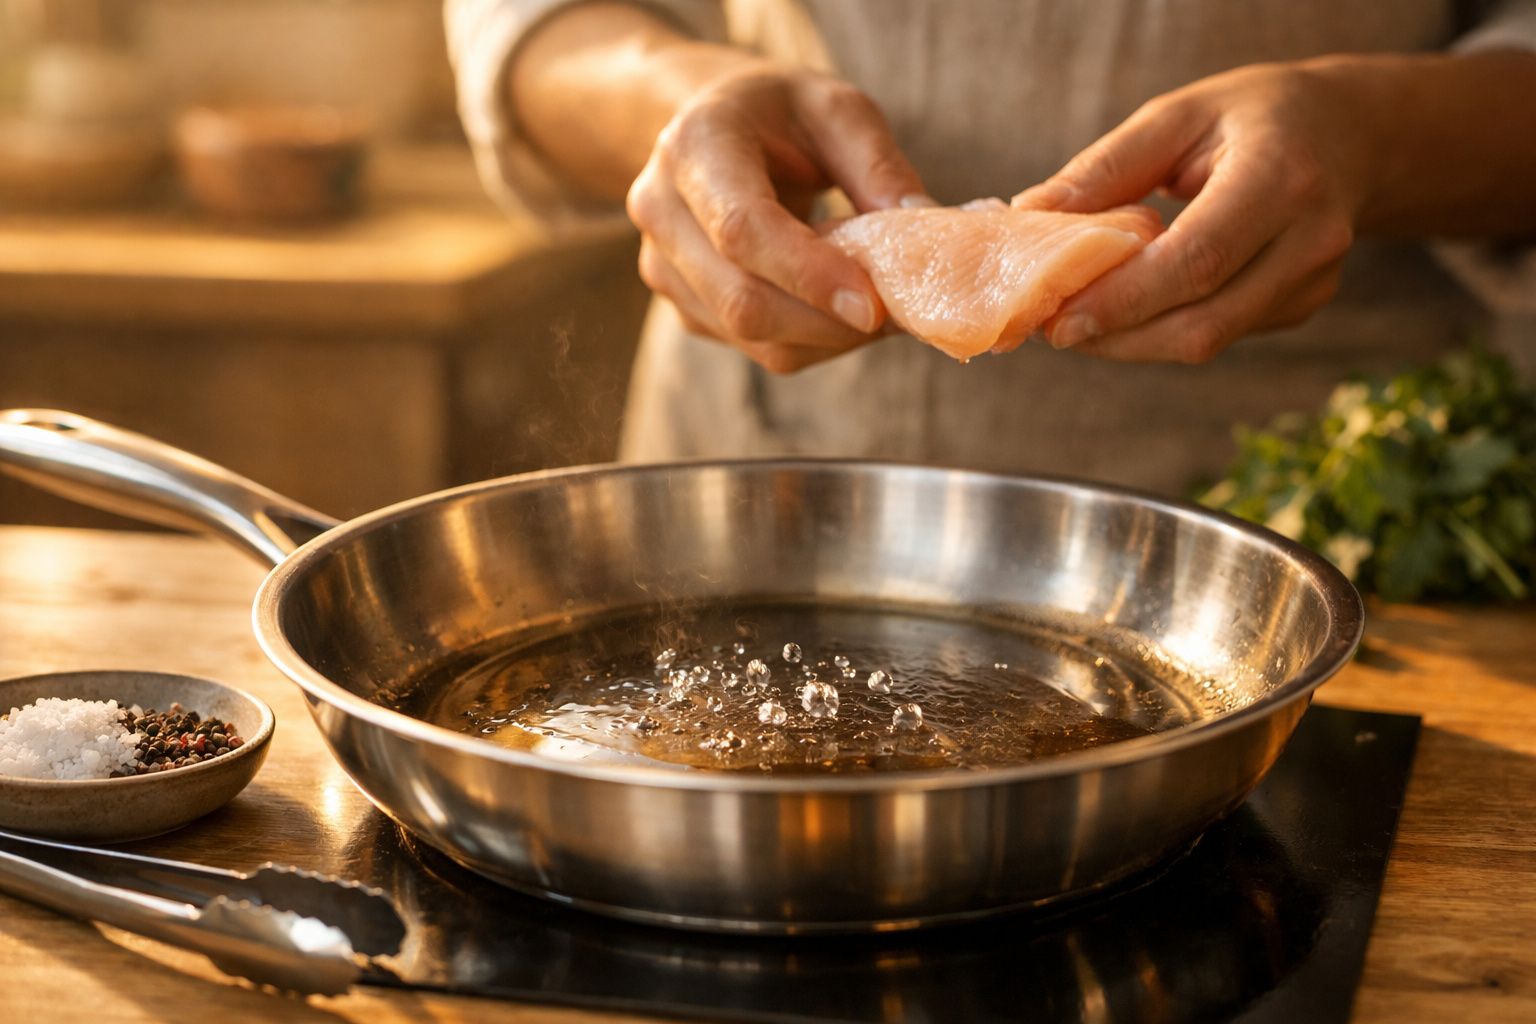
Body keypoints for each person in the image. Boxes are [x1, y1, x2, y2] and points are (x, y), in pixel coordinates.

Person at [446, 0, 1536, 494]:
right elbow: (529, 23)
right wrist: (684, 108)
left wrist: (1369, 135)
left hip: (1320, 509)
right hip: (760, 469)